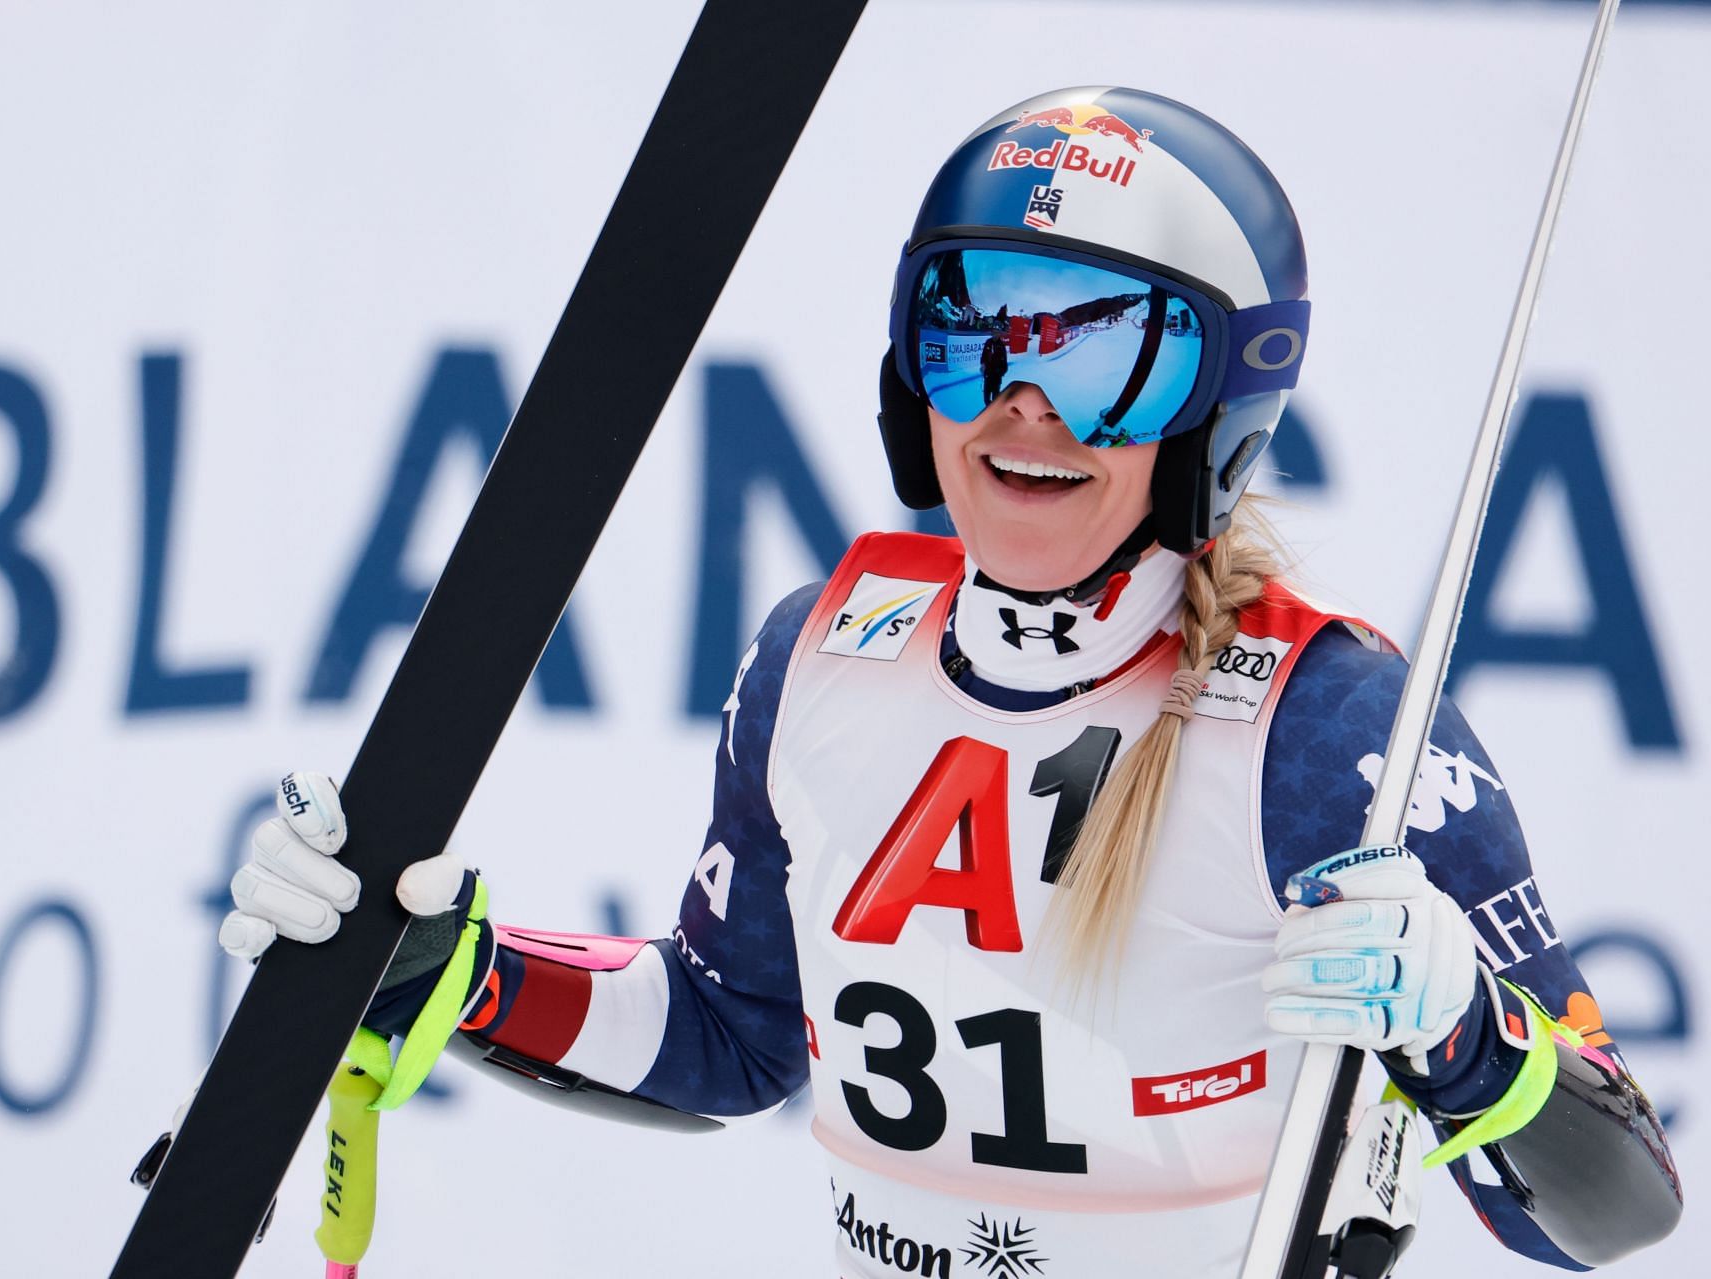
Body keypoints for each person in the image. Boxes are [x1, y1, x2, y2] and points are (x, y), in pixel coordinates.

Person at [220, 88, 1681, 1275]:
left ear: (1217, 415)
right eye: (974, 328)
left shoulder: (1328, 730)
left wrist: (1466, 1036)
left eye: (1115, 352)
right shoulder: (822, 659)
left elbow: (1618, 1209)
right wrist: (457, 978)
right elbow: (732, 1036)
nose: (1025, 404)